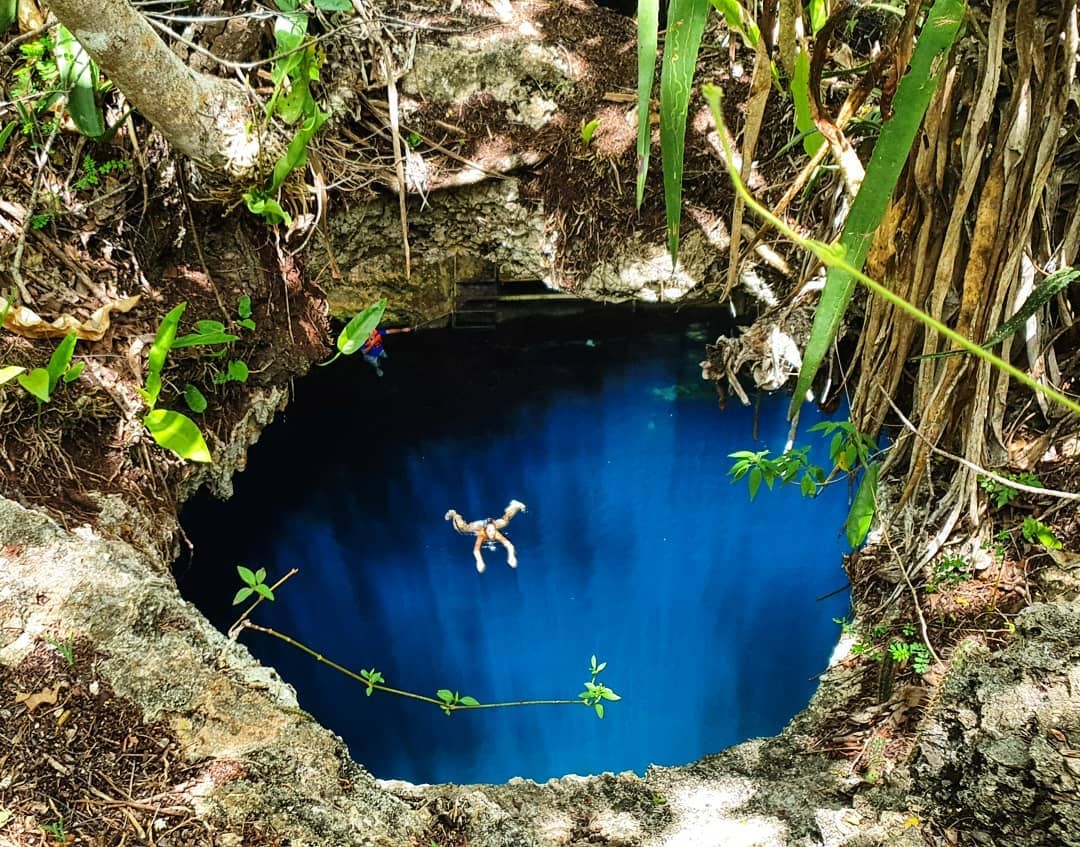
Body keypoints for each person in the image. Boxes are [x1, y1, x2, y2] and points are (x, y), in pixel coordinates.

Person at [444, 500, 527, 573]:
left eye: (493, 531)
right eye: (490, 532)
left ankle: (515, 505)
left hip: (493, 524)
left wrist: (511, 556)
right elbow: (476, 550)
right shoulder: (482, 534)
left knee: (506, 522)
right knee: (463, 529)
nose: (492, 534)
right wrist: (480, 561)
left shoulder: (495, 533)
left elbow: (509, 545)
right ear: (486, 530)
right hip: (480, 525)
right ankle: (454, 514)